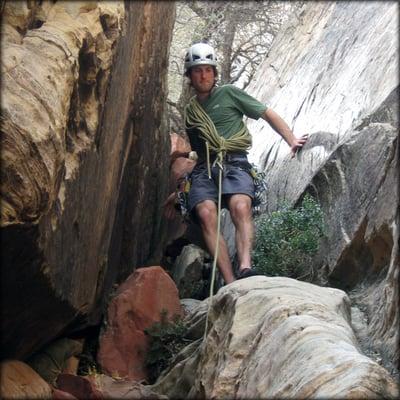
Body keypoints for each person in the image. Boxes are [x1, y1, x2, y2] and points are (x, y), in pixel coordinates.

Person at [168, 42, 308, 284]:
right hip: (204, 169)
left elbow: (266, 113)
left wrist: (291, 139)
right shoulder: (191, 111)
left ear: (214, 73)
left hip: (235, 162)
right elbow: (198, 152)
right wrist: (180, 187)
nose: (204, 75)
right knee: (205, 213)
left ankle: (245, 266)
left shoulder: (230, 93)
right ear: (190, 75)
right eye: (198, 71)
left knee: (240, 207)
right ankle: (230, 281)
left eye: (208, 70)